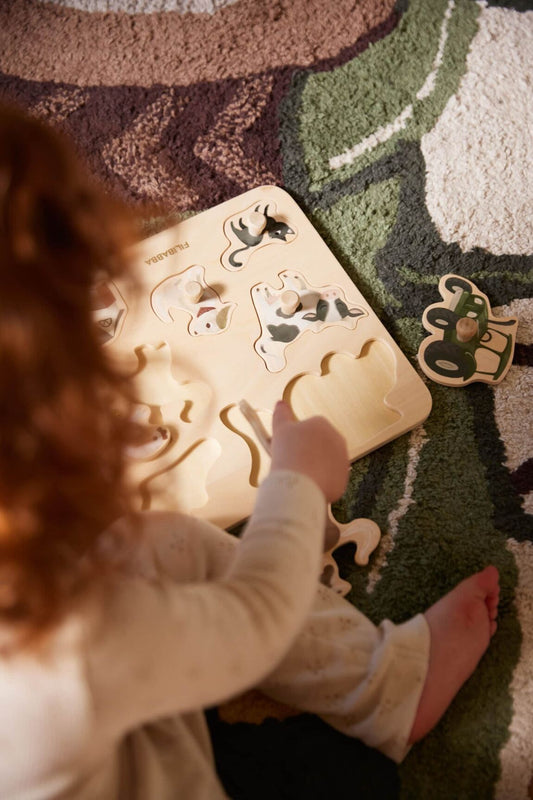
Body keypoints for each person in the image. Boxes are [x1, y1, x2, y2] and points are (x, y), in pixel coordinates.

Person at [0, 103, 500, 800]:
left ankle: (383, 686)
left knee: (163, 539)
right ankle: (383, 692)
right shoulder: (65, 647)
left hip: (76, 724)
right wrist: (295, 483)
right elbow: (255, 621)